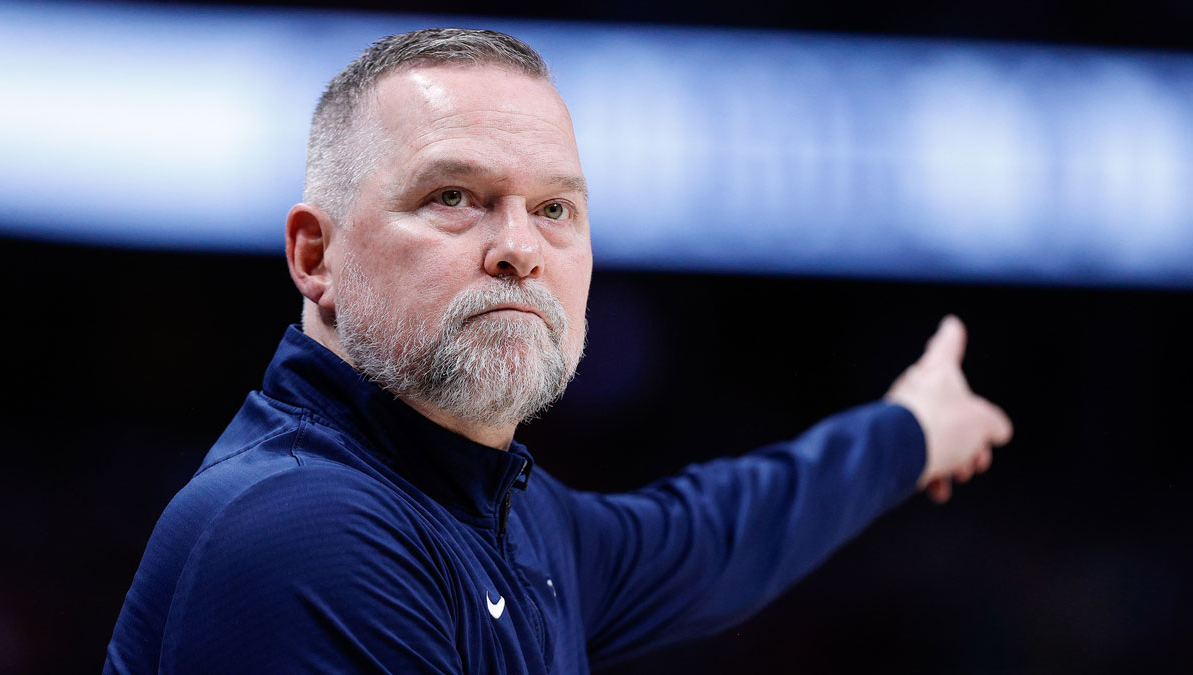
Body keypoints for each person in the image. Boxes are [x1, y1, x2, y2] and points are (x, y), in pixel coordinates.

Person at [103, 28, 1012, 674]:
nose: (518, 247)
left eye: (554, 209)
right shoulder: (304, 529)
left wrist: (911, 430)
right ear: (316, 255)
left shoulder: (495, 513)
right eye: (454, 196)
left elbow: (721, 532)